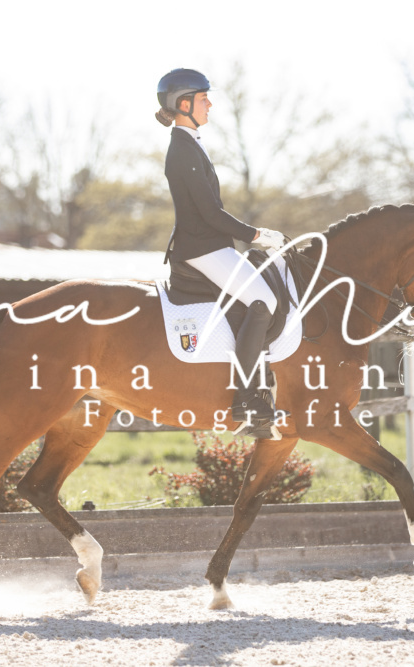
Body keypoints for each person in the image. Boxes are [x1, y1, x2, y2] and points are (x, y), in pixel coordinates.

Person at [156, 67, 286, 424]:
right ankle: (247, 398)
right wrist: (256, 235)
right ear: (183, 104)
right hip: (202, 249)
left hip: (211, 245)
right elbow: (210, 213)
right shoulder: (182, 149)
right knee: (264, 302)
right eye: (203, 98)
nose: (210, 104)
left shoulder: (190, 143)